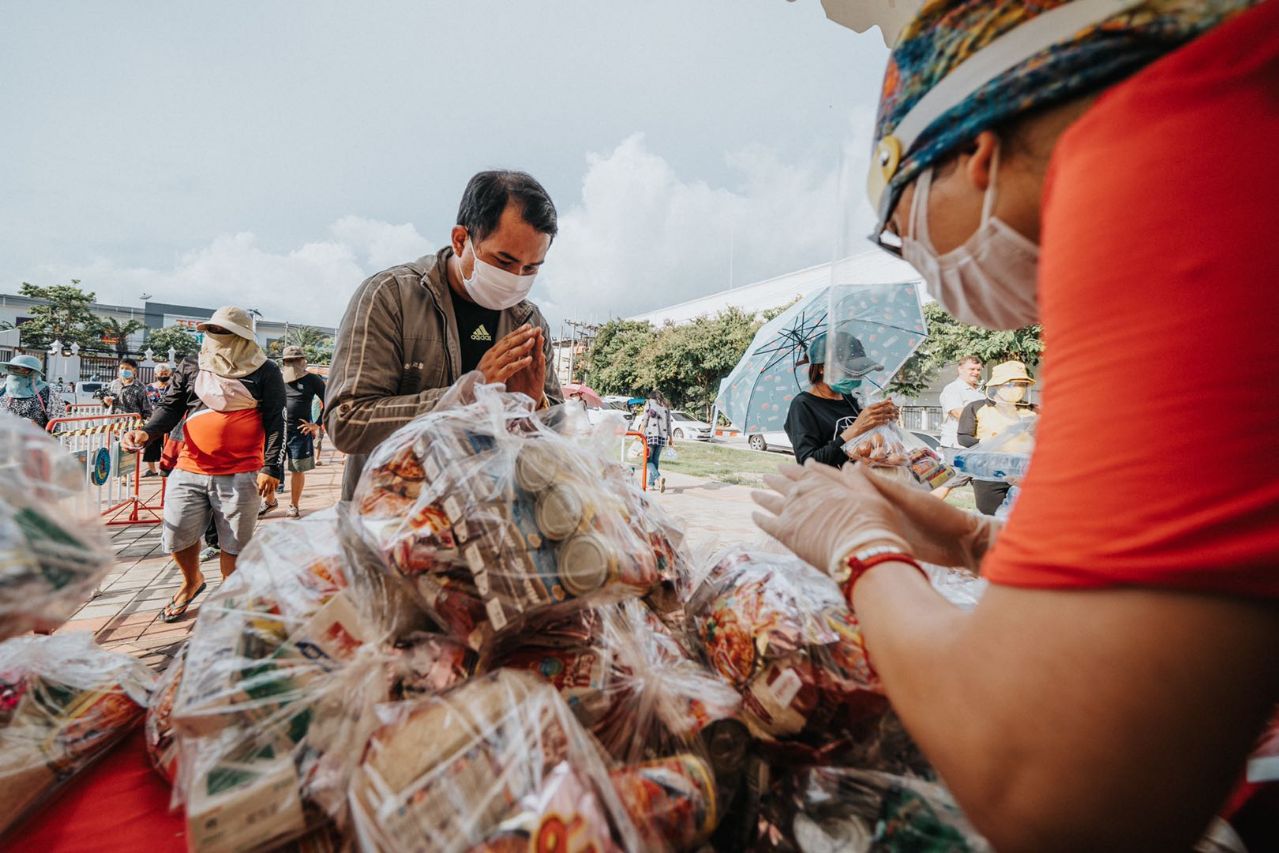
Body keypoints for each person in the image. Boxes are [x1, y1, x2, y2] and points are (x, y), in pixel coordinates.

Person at [752, 2, 1279, 850]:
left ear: (973, 155)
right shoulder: (1230, 102)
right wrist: (969, 541)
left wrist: (860, 546)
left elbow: (1056, 788)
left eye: (900, 234)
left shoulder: (1158, 149)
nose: (920, 264)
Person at [327, 170, 563, 499]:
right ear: (460, 240)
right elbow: (347, 422)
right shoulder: (391, 298)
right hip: (390, 526)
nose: (516, 279)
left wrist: (535, 406)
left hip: (490, 527)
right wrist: (463, 397)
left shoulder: (529, 322)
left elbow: (556, 445)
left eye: (531, 268)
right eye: (504, 261)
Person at [122, 306, 285, 622]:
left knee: (236, 543)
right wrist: (146, 432)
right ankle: (191, 581)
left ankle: (229, 598)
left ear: (242, 337)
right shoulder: (192, 366)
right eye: (212, 331)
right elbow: (170, 408)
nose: (216, 337)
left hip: (242, 471)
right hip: (190, 467)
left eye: (224, 332)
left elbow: (276, 418)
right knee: (177, 534)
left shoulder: (266, 371)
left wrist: (271, 467)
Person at [783, 331, 898, 468]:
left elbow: (874, 445)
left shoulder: (852, 399)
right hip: (833, 487)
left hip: (863, 484)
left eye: (858, 372)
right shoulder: (803, 405)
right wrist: (855, 429)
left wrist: (884, 421)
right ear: (822, 368)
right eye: (848, 371)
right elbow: (808, 463)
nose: (855, 377)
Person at [957, 359, 1037, 515]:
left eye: (1022, 384)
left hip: (1023, 474)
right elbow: (963, 437)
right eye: (1011, 384)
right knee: (991, 521)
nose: (1017, 388)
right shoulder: (977, 407)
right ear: (997, 385)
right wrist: (988, 443)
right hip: (989, 474)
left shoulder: (1033, 410)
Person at [279, 345, 326, 519]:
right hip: (278, 430)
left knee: (297, 469)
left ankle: (294, 505)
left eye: (295, 360)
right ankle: (269, 501)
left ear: (302, 360)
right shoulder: (277, 378)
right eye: (288, 361)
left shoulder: (313, 379)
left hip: (300, 432)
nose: (292, 363)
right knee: (271, 467)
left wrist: (317, 424)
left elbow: (329, 400)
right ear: (284, 362)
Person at [934, 355, 985, 499]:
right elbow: (958, 413)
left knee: (984, 481)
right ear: (960, 369)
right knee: (953, 480)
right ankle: (920, 508)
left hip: (977, 445)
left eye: (978, 369)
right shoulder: (953, 389)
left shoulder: (979, 392)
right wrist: (986, 418)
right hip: (957, 445)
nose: (975, 372)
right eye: (971, 369)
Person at [0, 354, 66, 430]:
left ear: (33, 372)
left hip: (36, 440)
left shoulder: (48, 392)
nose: (13, 373)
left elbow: (59, 423)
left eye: (18, 369)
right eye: (11, 368)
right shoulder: (2, 389)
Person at [636, 390, 673, 493]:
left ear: (651, 396)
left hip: (652, 435)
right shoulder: (666, 405)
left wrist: (639, 434)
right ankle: (651, 484)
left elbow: (645, 419)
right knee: (655, 460)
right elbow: (669, 423)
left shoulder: (649, 403)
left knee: (647, 460)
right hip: (663, 436)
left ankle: (658, 478)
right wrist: (671, 438)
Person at [141, 362, 174, 476]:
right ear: (156, 374)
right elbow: (145, 403)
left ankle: (167, 469)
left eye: (166, 373)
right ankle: (152, 470)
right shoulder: (149, 387)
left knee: (168, 446)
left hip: (170, 421)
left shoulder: (173, 387)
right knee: (150, 445)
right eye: (161, 373)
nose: (163, 375)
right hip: (153, 420)